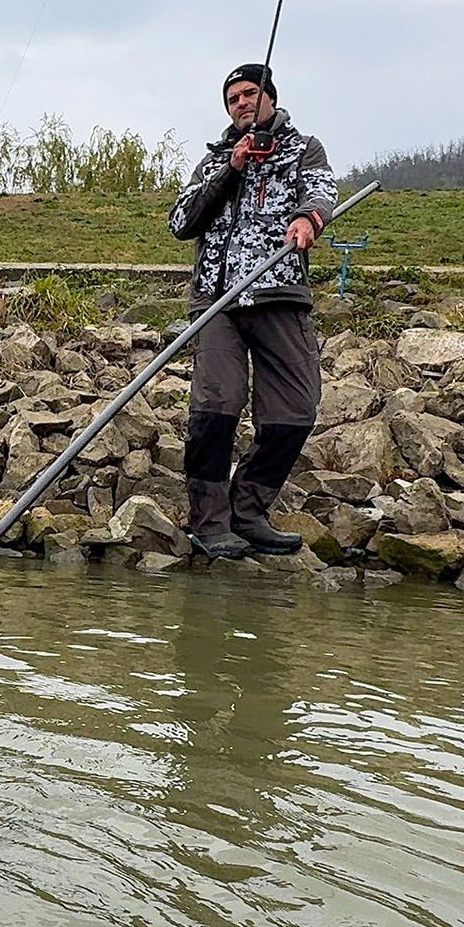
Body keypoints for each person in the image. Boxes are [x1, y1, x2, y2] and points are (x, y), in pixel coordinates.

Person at [167, 63, 336, 560]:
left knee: (295, 411)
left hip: (279, 295)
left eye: (250, 94)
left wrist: (310, 217)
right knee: (216, 407)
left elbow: (323, 193)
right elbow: (181, 221)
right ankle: (209, 521)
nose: (242, 103)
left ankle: (249, 510)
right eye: (232, 98)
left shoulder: (304, 147)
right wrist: (231, 168)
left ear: (270, 99)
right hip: (216, 300)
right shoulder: (213, 160)